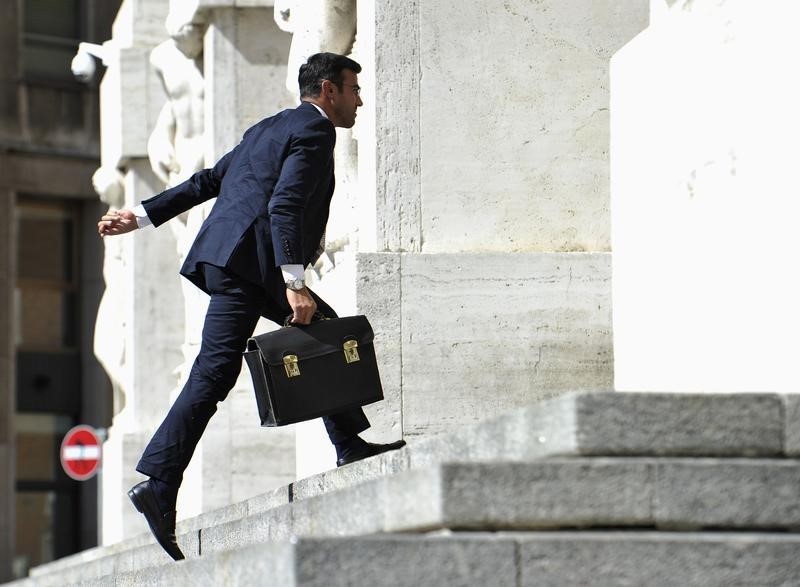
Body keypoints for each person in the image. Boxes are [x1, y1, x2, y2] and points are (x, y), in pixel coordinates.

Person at [97, 52, 405, 561]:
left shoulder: (270, 127)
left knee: (321, 333)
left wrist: (141, 215)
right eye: (353, 90)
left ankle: (348, 442)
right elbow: (284, 204)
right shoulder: (315, 131)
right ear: (328, 91)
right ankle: (159, 481)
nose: (359, 100)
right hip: (249, 263)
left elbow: (207, 181)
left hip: (236, 258)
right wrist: (294, 281)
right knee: (215, 372)